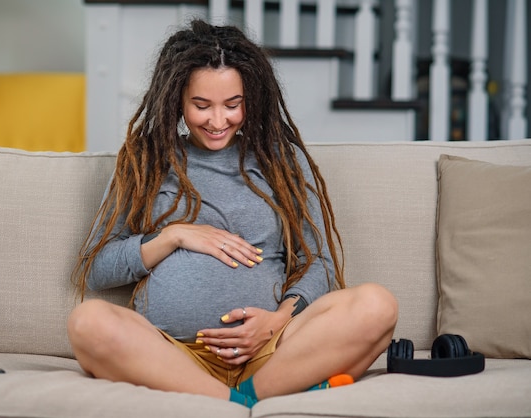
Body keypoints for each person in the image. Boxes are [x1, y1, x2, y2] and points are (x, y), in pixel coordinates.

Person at [67, 19, 398, 408]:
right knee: (87, 323)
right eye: (201, 105)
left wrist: (276, 321)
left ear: (251, 99)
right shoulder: (146, 160)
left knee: (378, 305)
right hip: (171, 355)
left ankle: (242, 395)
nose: (218, 120)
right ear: (176, 99)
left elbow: (319, 262)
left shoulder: (281, 162)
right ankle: (242, 402)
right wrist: (174, 235)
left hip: (272, 350)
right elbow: (97, 266)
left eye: (233, 105)